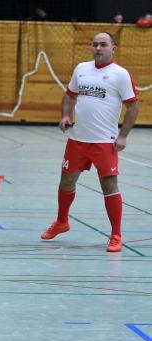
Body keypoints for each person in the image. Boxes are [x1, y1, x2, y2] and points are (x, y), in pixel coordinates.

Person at [40, 32, 139, 252]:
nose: (98, 48)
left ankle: (115, 235)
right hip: (77, 140)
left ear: (113, 48)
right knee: (67, 181)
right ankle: (62, 222)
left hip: (105, 142)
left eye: (103, 44)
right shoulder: (81, 69)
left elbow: (132, 106)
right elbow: (70, 95)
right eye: (95, 44)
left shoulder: (120, 75)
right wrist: (65, 115)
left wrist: (123, 135)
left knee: (109, 186)